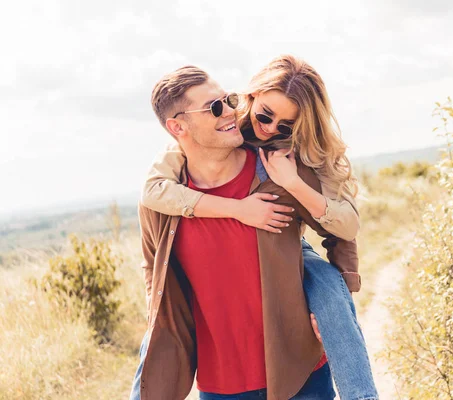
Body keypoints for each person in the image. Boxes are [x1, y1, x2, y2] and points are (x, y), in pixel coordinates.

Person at [140, 55, 378, 400]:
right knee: (151, 348)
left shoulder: (286, 162)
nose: (268, 129)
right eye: (265, 116)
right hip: (222, 382)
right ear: (250, 99)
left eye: (285, 126)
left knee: (323, 282)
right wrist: (237, 210)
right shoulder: (169, 189)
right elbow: (153, 259)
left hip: (297, 368)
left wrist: (334, 301)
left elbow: (344, 231)